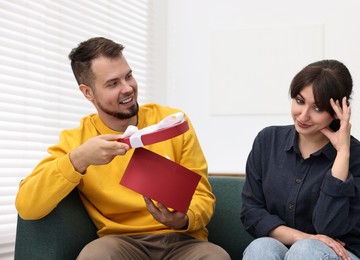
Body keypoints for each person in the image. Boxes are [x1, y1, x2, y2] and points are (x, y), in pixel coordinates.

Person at [15, 37, 230, 260]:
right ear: (88, 93)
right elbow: (28, 206)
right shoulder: (77, 141)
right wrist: (79, 159)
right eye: (113, 83)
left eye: (128, 76)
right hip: (121, 244)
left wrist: (184, 219)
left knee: (215, 257)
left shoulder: (172, 123)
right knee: (94, 256)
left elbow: (203, 196)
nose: (128, 88)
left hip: (183, 242)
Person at [240, 60, 360, 260]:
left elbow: (329, 227)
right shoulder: (267, 141)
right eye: (300, 101)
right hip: (288, 249)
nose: (303, 115)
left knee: (306, 251)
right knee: (261, 248)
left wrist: (342, 153)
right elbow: (252, 213)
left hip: (343, 252)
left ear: (337, 112)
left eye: (317, 108)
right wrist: (303, 237)